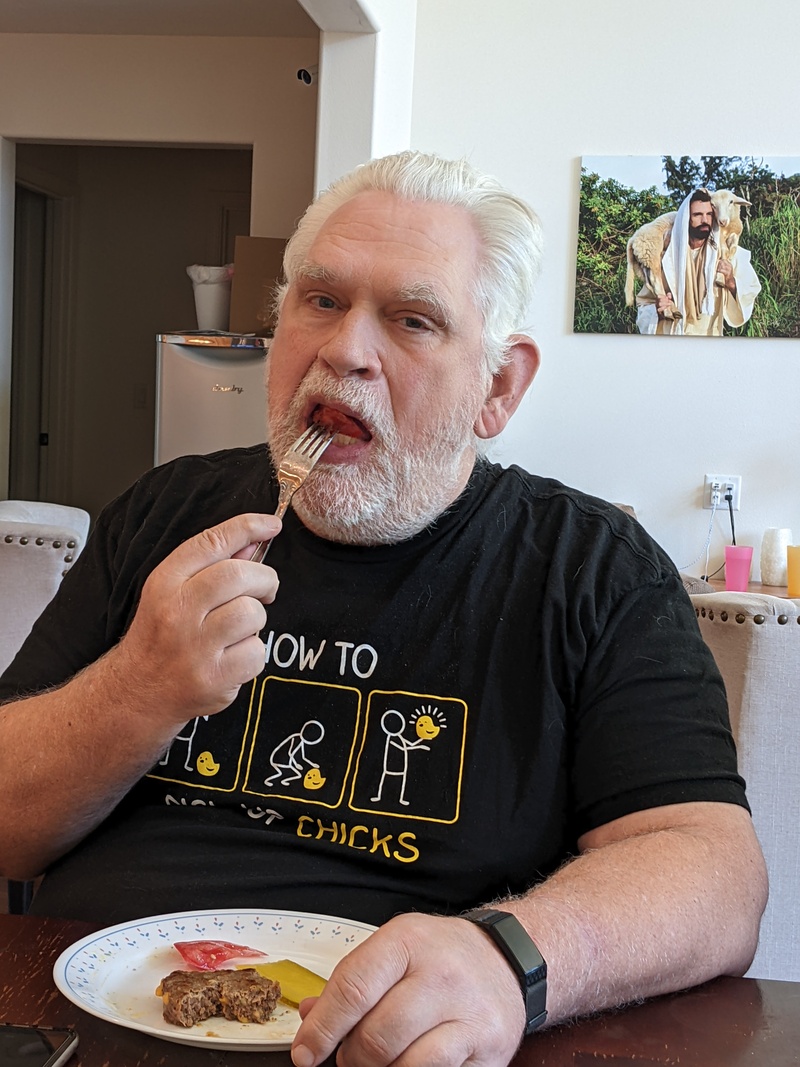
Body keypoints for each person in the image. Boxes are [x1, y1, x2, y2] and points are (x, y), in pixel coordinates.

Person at [0, 151, 766, 1067]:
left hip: (400, 1044)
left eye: (411, 319)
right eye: (320, 302)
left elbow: (715, 875)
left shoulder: (593, 570)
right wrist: (138, 688)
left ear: (498, 388)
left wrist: (511, 957)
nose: (344, 350)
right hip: (78, 1020)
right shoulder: (164, 515)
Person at [635, 187, 761, 335]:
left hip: (709, 344)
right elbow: (644, 303)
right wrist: (657, 310)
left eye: (708, 214)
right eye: (697, 214)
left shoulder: (729, 254)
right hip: (673, 343)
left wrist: (731, 282)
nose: (704, 220)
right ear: (686, 218)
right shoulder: (667, 257)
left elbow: (752, 288)